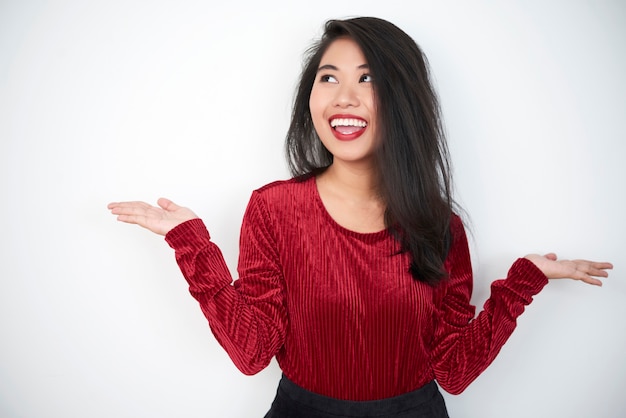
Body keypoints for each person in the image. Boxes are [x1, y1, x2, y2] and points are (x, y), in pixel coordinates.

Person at [107, 17, 612, 418]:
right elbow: (252, 351)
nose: (344, 96)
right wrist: (191, 244)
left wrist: (520, 283)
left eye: (367, 78)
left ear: (403, 101)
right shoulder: (273, 208)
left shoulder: (439, 225)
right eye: (329, 78)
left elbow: (454, 370)